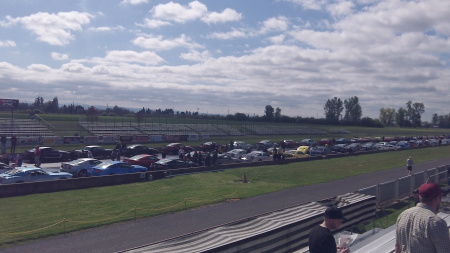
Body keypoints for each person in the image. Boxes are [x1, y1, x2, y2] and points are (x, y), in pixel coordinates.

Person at [396, 183, 450, 253]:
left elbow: (398, 247)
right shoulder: (435, 222)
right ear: (438, 198)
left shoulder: (403, 215)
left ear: (419, 196)